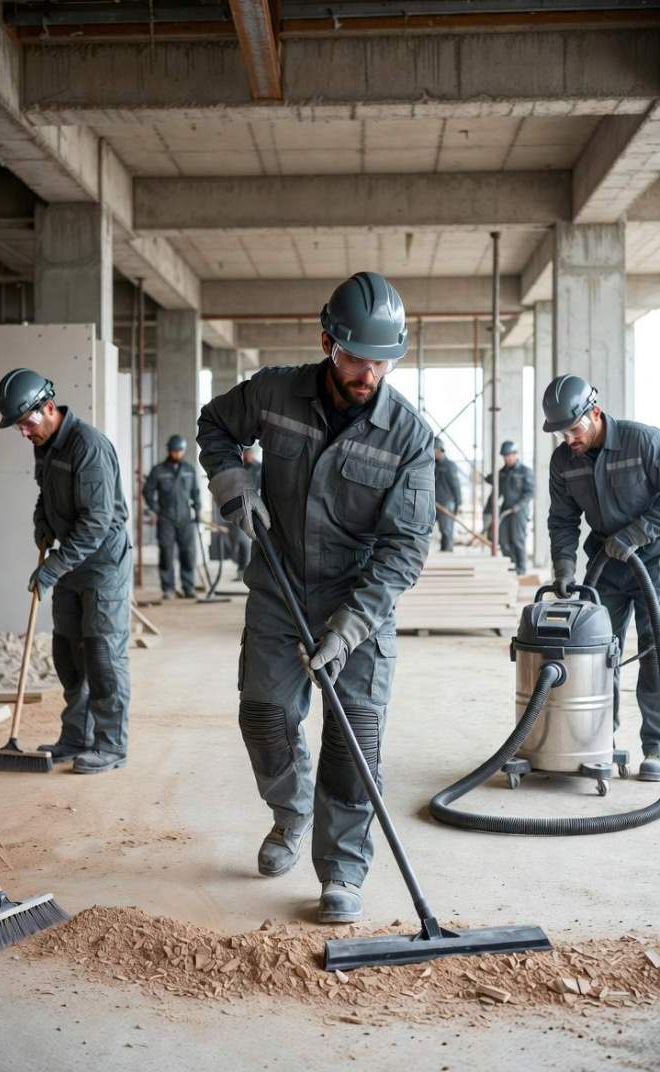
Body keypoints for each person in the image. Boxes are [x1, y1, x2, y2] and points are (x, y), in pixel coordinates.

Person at [197, 271, 435, 923]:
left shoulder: (409, 438)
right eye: (357, 357)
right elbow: (215, 425)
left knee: (352, 740)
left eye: (383, 360)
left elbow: (405, 549)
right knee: (266, 716)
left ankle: (342, 872)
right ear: (327, 340)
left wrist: (351, 628)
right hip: (280, 585)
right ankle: (289, 811)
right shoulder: (276, 392)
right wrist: (233, 484)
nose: (368, 373)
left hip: (358, 601)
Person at [0, 368, 131, 774]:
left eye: (26, 422)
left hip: (102, 564)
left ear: (48, 407)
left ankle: (110, 745)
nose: (24, 432)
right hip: (70, 561)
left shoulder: (88, 446)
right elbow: (46, 494)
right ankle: (76, 737)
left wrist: (53, 567)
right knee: (68, 654)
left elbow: (97, 522)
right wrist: (42, 523)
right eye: (18, 425)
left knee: (102, 656)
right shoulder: (46, 444)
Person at [543, 373, 660, 782]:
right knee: (595, 653)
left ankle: (656, 746)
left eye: (574, 429)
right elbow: (562, 520)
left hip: (655, 563)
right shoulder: (564, 461)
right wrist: (564, 567)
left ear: (594, 413)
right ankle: (598, 741)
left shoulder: (642, 441)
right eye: (561, 433)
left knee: (654, 650)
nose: (569, 440)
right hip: (606, 566)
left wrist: (638, 532)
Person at [143, 435, 200, 599]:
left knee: (188, 553)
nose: (177, 454)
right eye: (174, 451)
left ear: (183, 451)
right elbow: (147, 491)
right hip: (166, 518)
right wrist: (155, 508)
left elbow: (195, 492)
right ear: (169, 450)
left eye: (179, 451)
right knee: (166, 553)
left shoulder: (189, 470)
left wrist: (197, 508)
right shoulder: (158, 470)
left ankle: (188, 587)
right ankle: (168, 588)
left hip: (185, 518)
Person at [484, 440, 534, 574]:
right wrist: (487, 477)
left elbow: (530, 493)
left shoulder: (525, 471)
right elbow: (493, 480)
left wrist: (518, 506)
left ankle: (522, 568)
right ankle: (513, 562)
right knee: (503, 539)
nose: (507, 458)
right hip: (506, 510)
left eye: (509, 455)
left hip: (519, 511)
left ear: (515, 454)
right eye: (505, 456)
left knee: (518, 539)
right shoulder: (503, 472)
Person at [231, 446, 262, 580]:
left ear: (252, 453)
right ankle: (241, 570)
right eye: (243, 453)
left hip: (257, 509)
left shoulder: (260, 468)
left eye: (247, 453)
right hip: (239, 508)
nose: (245, 456)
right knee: (241, 541)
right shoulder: (239, 468)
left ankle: (252, 571)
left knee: (254, 542)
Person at [433, 437, 462, 551]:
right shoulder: (432, 465)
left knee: (446, 530)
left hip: (445, 504)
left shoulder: (449, 466)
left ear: (440, 450)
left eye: (434, 451)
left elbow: (456, 485)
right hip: (433, 503)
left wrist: (458, 503)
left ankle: (447, 553)